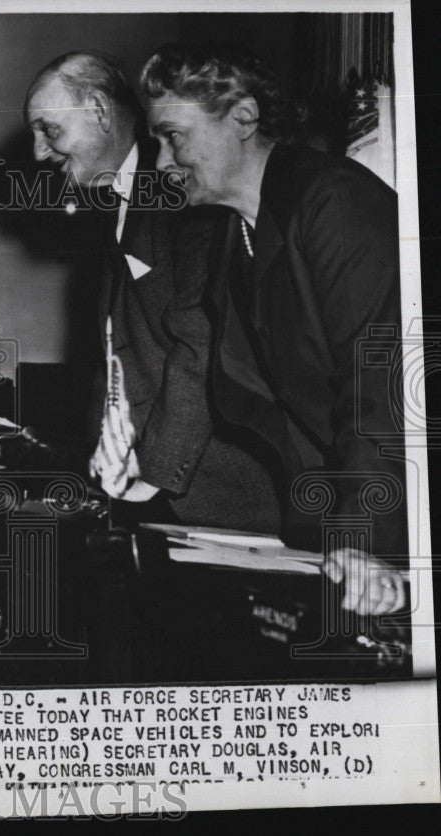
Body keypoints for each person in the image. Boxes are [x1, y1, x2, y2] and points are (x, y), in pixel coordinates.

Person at [140, 43, 408, 615]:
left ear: (243, 117)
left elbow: (384, 384)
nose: (162, 162)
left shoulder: (334, 201)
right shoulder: (234, 237)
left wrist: (364, 537)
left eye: (173, 136)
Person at [24, 51, 281, 532]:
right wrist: (103, 472)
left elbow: (200, 341)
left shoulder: (186, 188)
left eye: (49, 130)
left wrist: (150, 477)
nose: (39, 151)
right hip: (136, 492)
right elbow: (116, 351)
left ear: (99, 111)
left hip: (209, 499)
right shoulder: (108, 204)